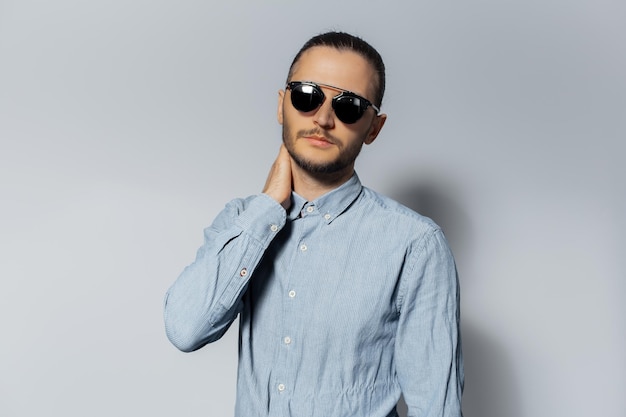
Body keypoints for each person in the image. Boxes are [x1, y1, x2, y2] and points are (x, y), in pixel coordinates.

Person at [164, 31, 464, 417]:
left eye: (350, 106)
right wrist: (267, 209)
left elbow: (436, 408)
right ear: (281, 105)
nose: (323, 118)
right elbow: (185, 329)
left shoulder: (415, 245)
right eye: (307, 95)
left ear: (373, 127)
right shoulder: (243, 220)